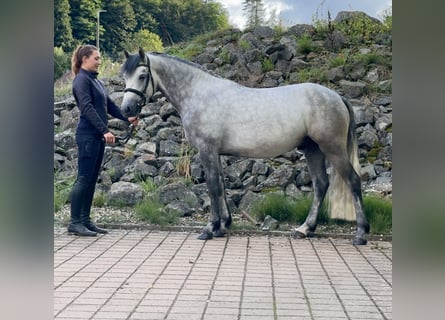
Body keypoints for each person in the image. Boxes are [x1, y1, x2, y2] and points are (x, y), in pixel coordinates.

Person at [68, 44, 138, 236]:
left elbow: (109, 105)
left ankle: (85, 220)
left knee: (91, 180)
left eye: (99, 58)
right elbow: (87, 108)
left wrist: (126, 118)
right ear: (84, 59)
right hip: (87, 136)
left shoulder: (95, 81)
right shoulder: (81, 80)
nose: (100, 61)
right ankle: (75, 222)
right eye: (96, 58)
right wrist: (105, 130)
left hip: (96, 136)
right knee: (83, 179)